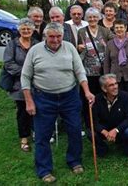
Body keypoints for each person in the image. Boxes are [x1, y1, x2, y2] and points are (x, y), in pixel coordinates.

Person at [21, 22, 94, 183]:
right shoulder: (35, 51)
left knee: (75, 130)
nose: (55, 40)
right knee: (42, 135)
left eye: (58, 36)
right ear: (45, 36)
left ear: (62, 36)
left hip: (69, 96)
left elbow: (79, 71)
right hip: (43, 98)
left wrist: (87, 91)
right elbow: (25, 77)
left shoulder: (69, 47)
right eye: (51, 36)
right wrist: (29, 101)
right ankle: (44, 169)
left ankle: (74, 161)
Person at [3, 19, 38, 152]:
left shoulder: (37, 44)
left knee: (37, 109)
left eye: (29, 29)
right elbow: (8, 64)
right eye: (23, 29)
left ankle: (36, 132)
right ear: (19, 30)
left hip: (36, 83)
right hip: (19, 84)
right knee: (23, 111)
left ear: (33, 30)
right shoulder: (12, 45)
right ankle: (24, 138)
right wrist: (26, 72)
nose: (26, 31)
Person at [77, 7, 114, 127]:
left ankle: (102, 121)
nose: (92, 19)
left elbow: (114, 43)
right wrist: (79, 48)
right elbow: (79, 47)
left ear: (99, 18)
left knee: (102, 96)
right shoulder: (81, 31)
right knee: (88, 97)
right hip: (88, 70)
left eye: (94, 17)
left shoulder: (105, 31)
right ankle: (89, 122)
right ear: (86, 18)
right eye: (90, 17)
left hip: (103, 69)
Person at [104, 19, 128, 116]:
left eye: (121, 27)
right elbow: (106, 63)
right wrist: (107, 79)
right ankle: (120, 119)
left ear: (125, 28)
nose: (119, 29)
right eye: (117, 27)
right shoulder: (109, 44)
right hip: (115, 77)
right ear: (114, 29)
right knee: (118, 99)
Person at [90, 74, 128, 158]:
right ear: (104, 88)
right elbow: (93, 120)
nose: (115, 87)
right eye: (111, 85)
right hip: (105, 128)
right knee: (91, 133)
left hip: (120, 127)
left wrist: (116, 130)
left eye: (116, 84)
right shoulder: (97, 99)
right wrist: (104, 132)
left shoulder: (125, 96)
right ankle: (102, 148)